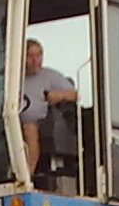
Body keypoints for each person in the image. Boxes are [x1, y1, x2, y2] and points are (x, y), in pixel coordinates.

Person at [20, 38, 77, 179]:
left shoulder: (50, 76)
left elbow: (74, 94)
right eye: (30, 56)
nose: (35, 60)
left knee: (29, 129)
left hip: (39, 121)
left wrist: (60, 95)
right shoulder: (15, 78)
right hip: (12, 120)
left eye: (38, 55)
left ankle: (26, 176)